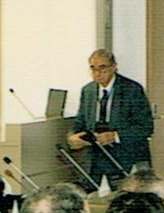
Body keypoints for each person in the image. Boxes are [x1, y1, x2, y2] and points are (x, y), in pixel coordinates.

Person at [66, 49, 155, 185]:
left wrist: (115, 136)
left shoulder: (132, 89)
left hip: (125, 155)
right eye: (93, 68)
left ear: (114, 67)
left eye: (103, 68)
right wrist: (73, 136)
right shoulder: (88, 90)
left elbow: (146, 127)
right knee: (93, 195)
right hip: (96, 155)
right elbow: (81, 121)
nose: (97, 73)